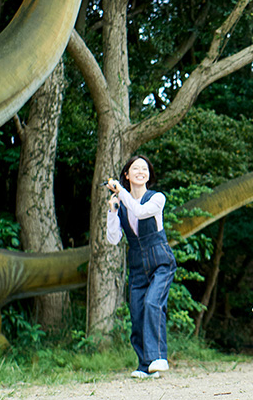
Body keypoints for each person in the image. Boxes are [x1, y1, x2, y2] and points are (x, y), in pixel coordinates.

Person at [106, 155, 178, 380]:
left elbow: (140, 211)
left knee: (152, 303)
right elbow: (113, 239)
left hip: (160, 261)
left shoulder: (157, 198)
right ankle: (145, 365)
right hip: (137, 264)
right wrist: (112, 210)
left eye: (144, 168)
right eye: (135, 168)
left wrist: (121, 192)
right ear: (126, 174)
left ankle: (158, 358)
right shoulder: (122, 204)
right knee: (136, 313)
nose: (140, 171)